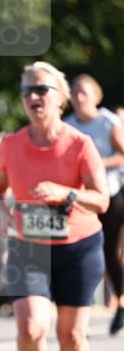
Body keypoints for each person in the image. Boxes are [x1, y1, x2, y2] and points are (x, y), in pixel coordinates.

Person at [0, 61, 109, 351]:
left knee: (71, 334)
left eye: (41, 89)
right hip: (29, 246)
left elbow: (101, 200)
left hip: (79, 246)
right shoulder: (11, 145)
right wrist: (3, 215)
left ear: (61, 98)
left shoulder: (80, 144)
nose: (33, 97)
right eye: (27, 91)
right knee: (30, 328)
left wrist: (64, 192)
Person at [64, 74, 124, 335]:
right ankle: (80, 313)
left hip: (110, 194)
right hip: (79, 198)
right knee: (82, 253)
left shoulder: (108, 122)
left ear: (96, 97)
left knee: (108, 252)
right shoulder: (67, 125)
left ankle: (120, 302)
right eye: (74, 93)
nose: (79, 98)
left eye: (84, 93)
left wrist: (97, 164)